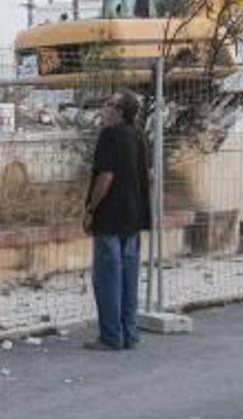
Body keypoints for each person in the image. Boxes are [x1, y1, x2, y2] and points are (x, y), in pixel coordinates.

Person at [82, 90, 151, 351]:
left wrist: (90, 209)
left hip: (110, 219)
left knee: (108, 279)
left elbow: (105, 177)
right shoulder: (139, 136)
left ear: (120, 111)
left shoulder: (109, 136)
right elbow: (150, 175)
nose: (104, 107)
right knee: (129, 278)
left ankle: (111, 336)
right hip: (133, 219)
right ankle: (129, 332)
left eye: (109, 104)